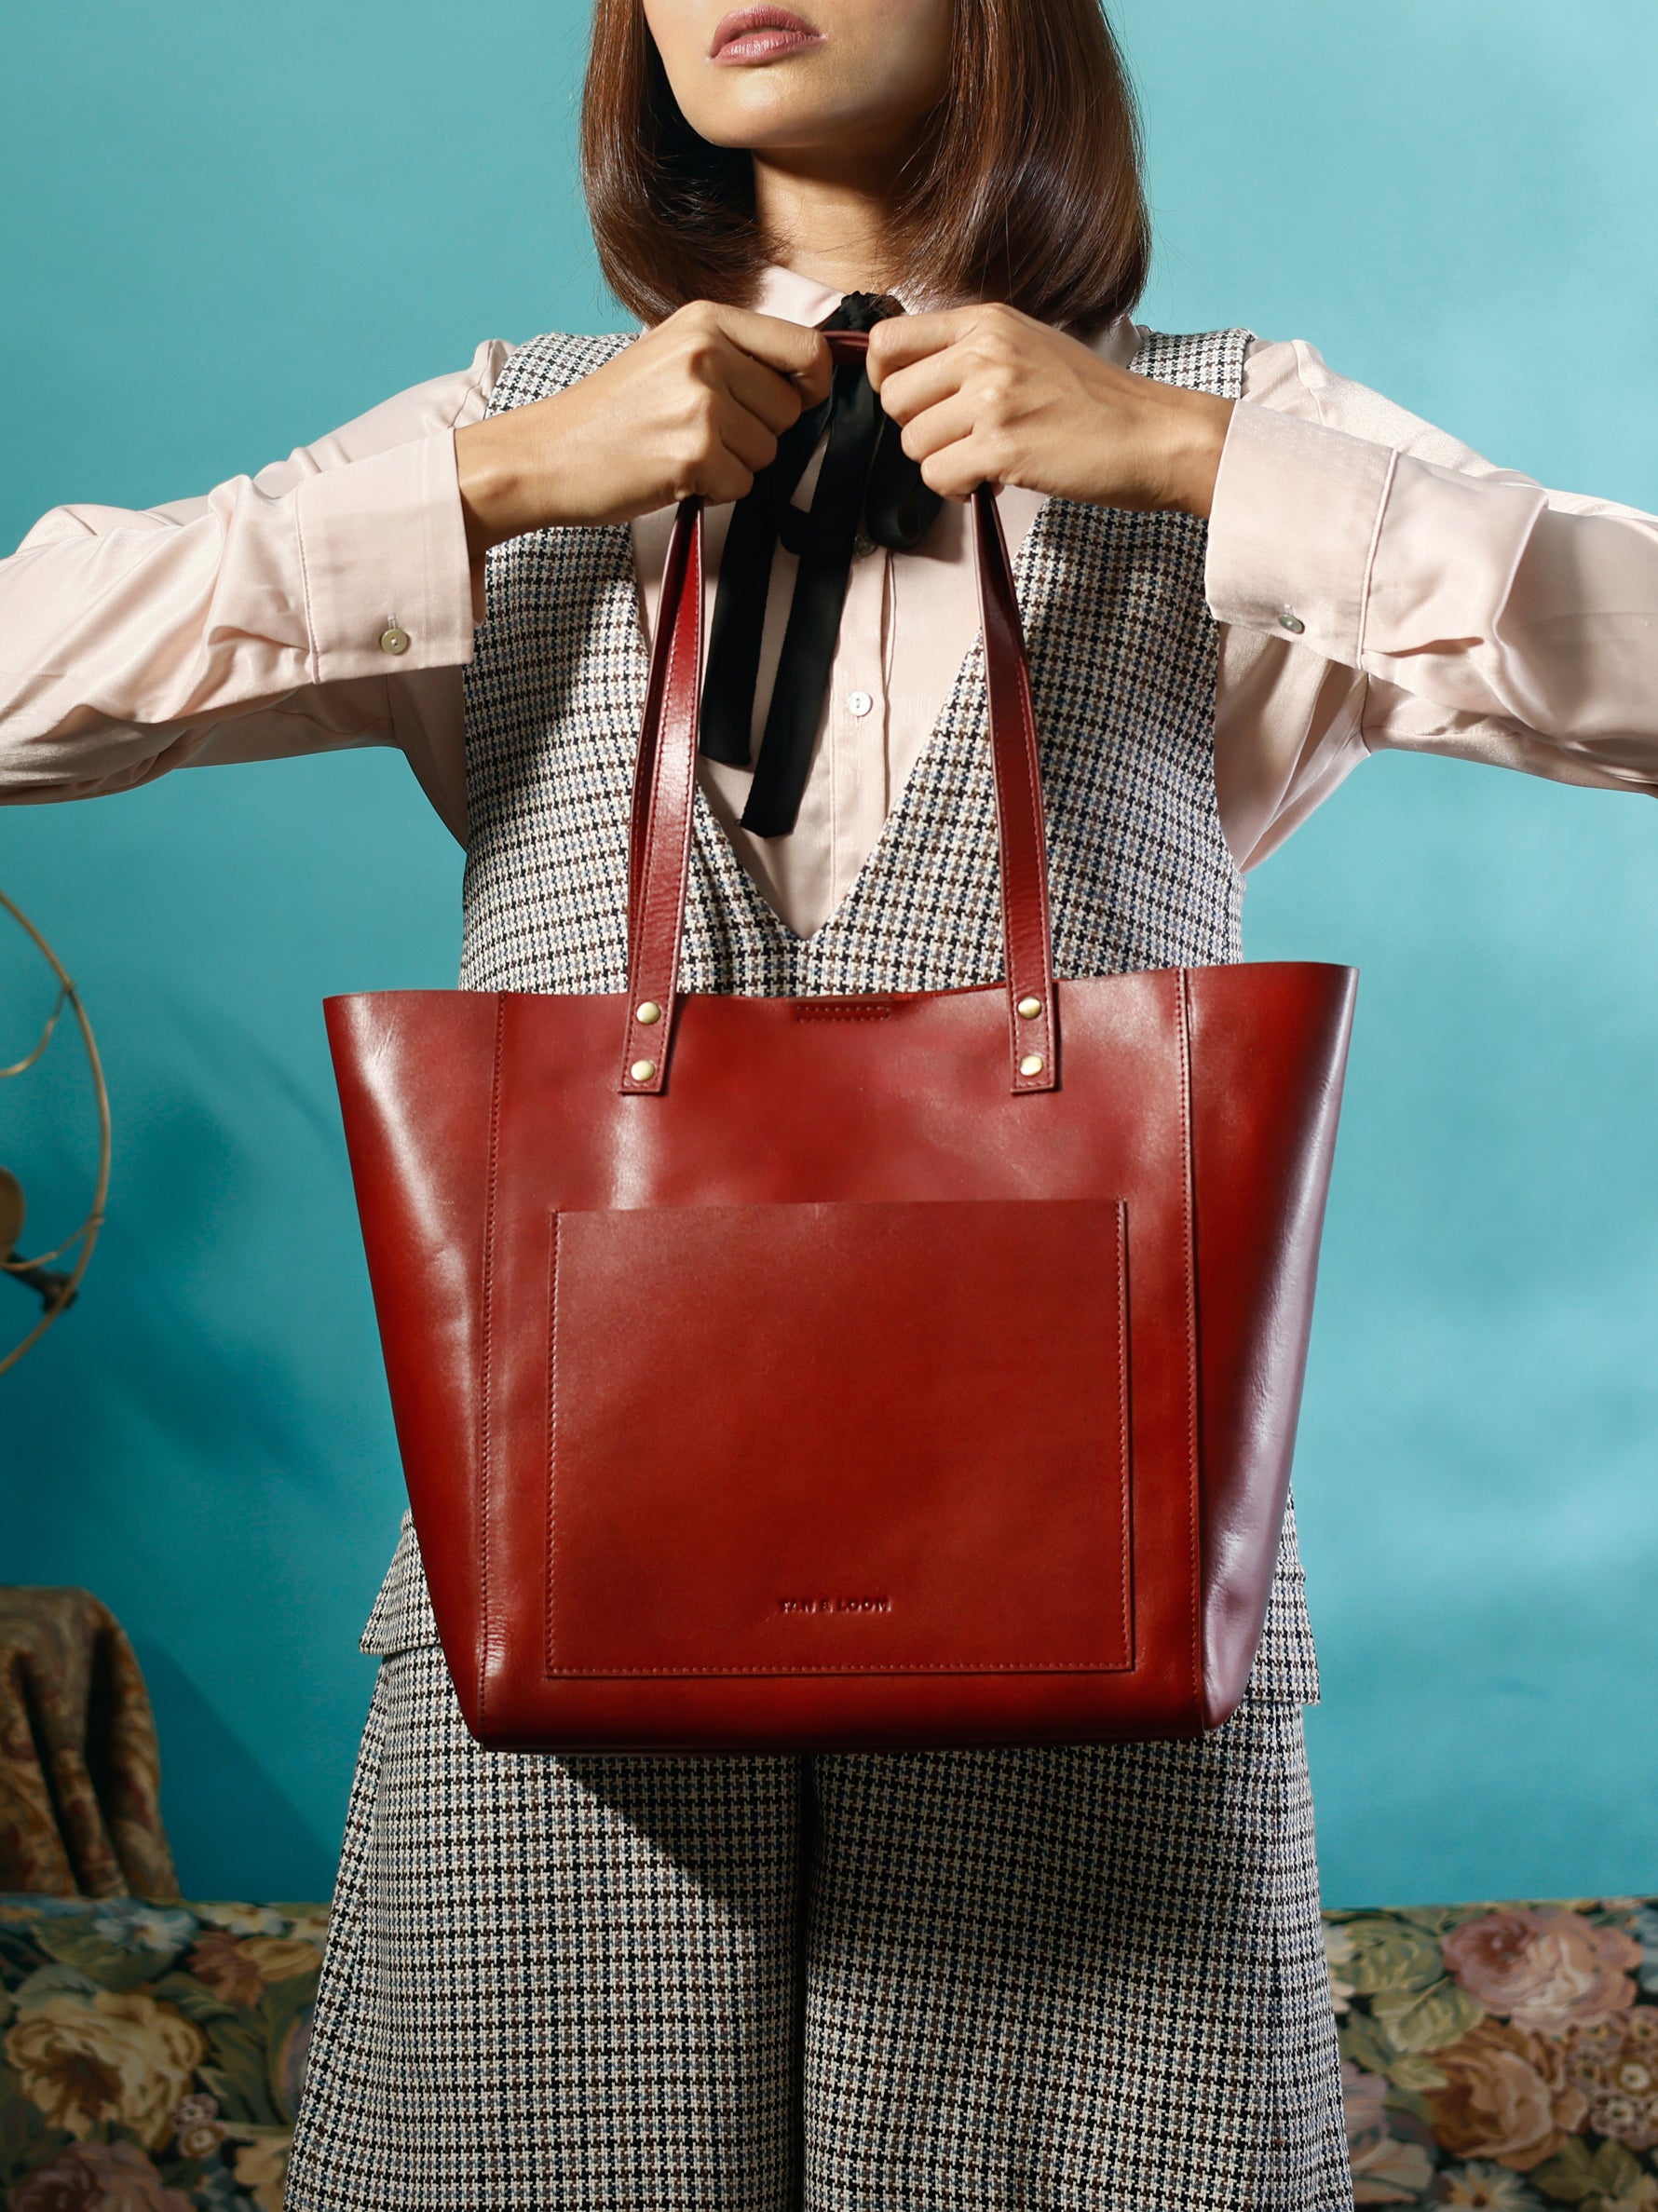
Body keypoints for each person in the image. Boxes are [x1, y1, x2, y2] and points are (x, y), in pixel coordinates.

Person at [4, 0, 1657, 2205]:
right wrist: (485, 491)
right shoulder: (512, 436)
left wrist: (1198, 469)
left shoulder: (1236, 427)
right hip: (558, 1650)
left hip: (1100, 1638)